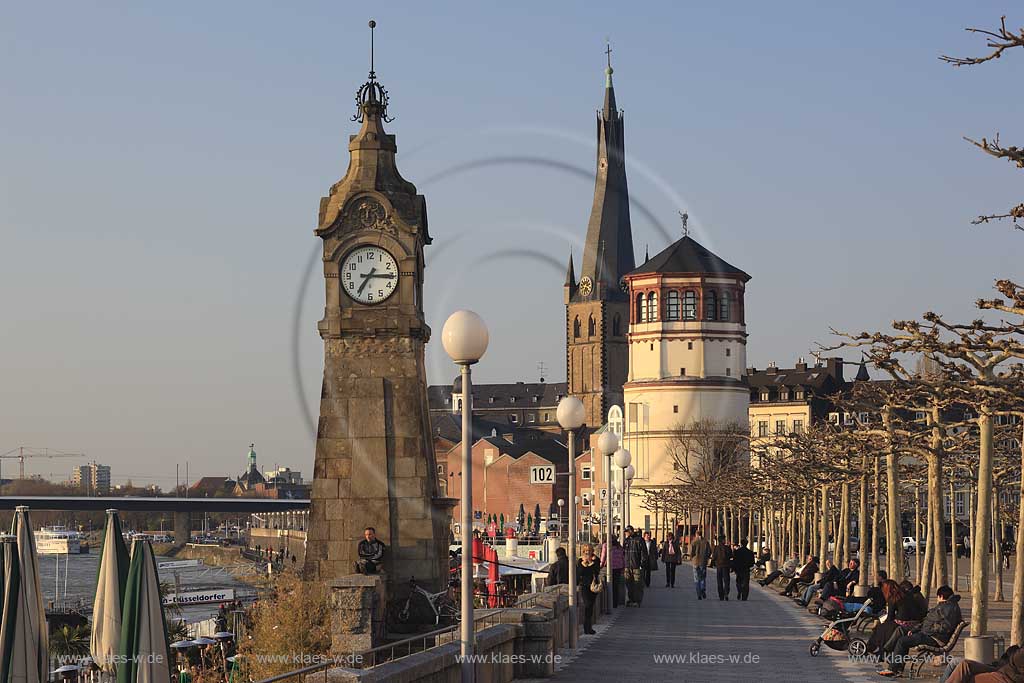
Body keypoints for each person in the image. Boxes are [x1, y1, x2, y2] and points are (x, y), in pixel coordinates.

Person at [879, 585, 962, 677]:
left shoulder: (948, 608)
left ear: (941, 596)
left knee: (902, 641)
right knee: (902, 630)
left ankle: (892, 667)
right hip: (930, 634)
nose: (937, 599)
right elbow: (928, 621)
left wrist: (928, 629)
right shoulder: (947, 606)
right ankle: (891, 658)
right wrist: (915, 630)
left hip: (934, 638)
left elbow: (946, 627)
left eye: (937, 597)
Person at [943, 644, 1023, 683]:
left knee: (966, 677)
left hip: (1006, 677)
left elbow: (1016, 658)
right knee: (964, 664)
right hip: (1002, 668)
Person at [576, 544, 602, 635]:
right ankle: (586, 627)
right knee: (587, 604)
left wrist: (591, 563)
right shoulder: (580, 560)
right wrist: (584, 564)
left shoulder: (596, 560)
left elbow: (597, 571)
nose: (587, 552)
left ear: (592, 551)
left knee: (591, 606)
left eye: (589, 550)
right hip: (584, 586)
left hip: (593, 585)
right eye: (586, 551)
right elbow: (579, 573)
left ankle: (589, 627)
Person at [622, 526, 649, 606]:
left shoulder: (639, 540)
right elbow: (623, 553)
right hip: (627, 566)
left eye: (626, 531)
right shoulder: (626, 541)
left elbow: (644, 553)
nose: (625, 533)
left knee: (638, 584)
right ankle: (631, 599)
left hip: (637, 566)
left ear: (630, 531)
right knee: (628, 583)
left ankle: (637, 601)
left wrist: (641, 564)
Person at [600, 534, 625, 607]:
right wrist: (623, 567)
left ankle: (609, 603)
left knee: (609, 585)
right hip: (618, 567)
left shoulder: (605, 545)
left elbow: (603, 556)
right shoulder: (619, 547)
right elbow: (623, 557)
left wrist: (600, 566)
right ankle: (615, 603)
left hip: (610, 567)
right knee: (616, 586)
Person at [711, 535, 733, 600]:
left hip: (719, 567)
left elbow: (714, 557)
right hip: (726, 566)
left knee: (719, 581)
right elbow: (731, 556)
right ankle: (726, 593)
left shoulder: (716, 548)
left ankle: (721, 595)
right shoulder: (727, 548)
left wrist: (713, 563)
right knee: (726, 581)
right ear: (722, 540)